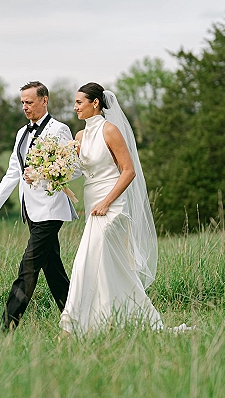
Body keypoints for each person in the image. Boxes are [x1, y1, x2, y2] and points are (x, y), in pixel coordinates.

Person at [59, 82, 163, 335]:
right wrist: (47, 173)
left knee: (85, 261)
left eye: (79, 102)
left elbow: (128, 171)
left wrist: (106, 202)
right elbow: (77, 171)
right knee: (109, 265)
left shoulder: (110, 131)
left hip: (112, 203)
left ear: (95, 103)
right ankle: (115, 318)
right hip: (92, 202)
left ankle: (71, 327)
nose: (75, 108)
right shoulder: (80, 136)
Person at [0, 81, 79, 331]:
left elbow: (74, 168)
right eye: (22, 102)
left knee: (28, 267)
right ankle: (76, 321)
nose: (25, 107)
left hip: (51, 210)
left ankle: (6, 327)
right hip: (31, 212)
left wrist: (40, 173)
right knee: (53, 271)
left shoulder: (59, 130)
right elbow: (13, 172)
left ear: (44, 101)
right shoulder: (21, 133)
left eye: (29, 102)